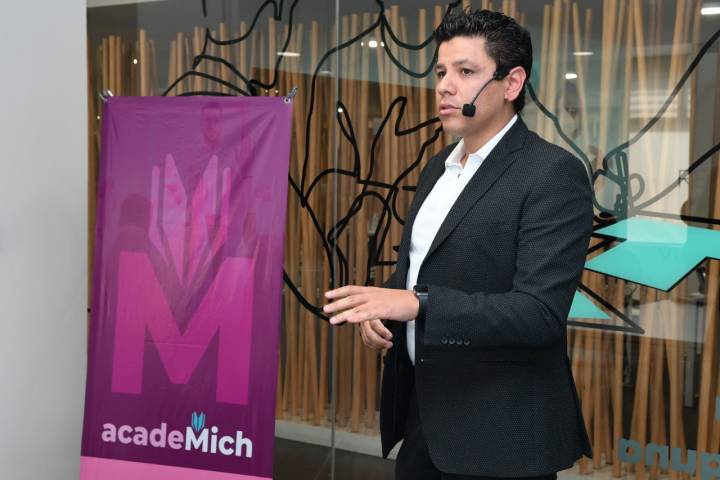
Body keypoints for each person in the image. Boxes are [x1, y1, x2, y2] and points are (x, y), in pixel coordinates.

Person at [323, 8, 593, 480]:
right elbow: (421, 272)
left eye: (466, 72)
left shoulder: (552, 173)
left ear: (511, 84)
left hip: (499, 434)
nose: (445, 86)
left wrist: (417, 304)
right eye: (441, 72)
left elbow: (539, 314)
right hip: (424, 419)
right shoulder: (439, 168)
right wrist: (382, 311)